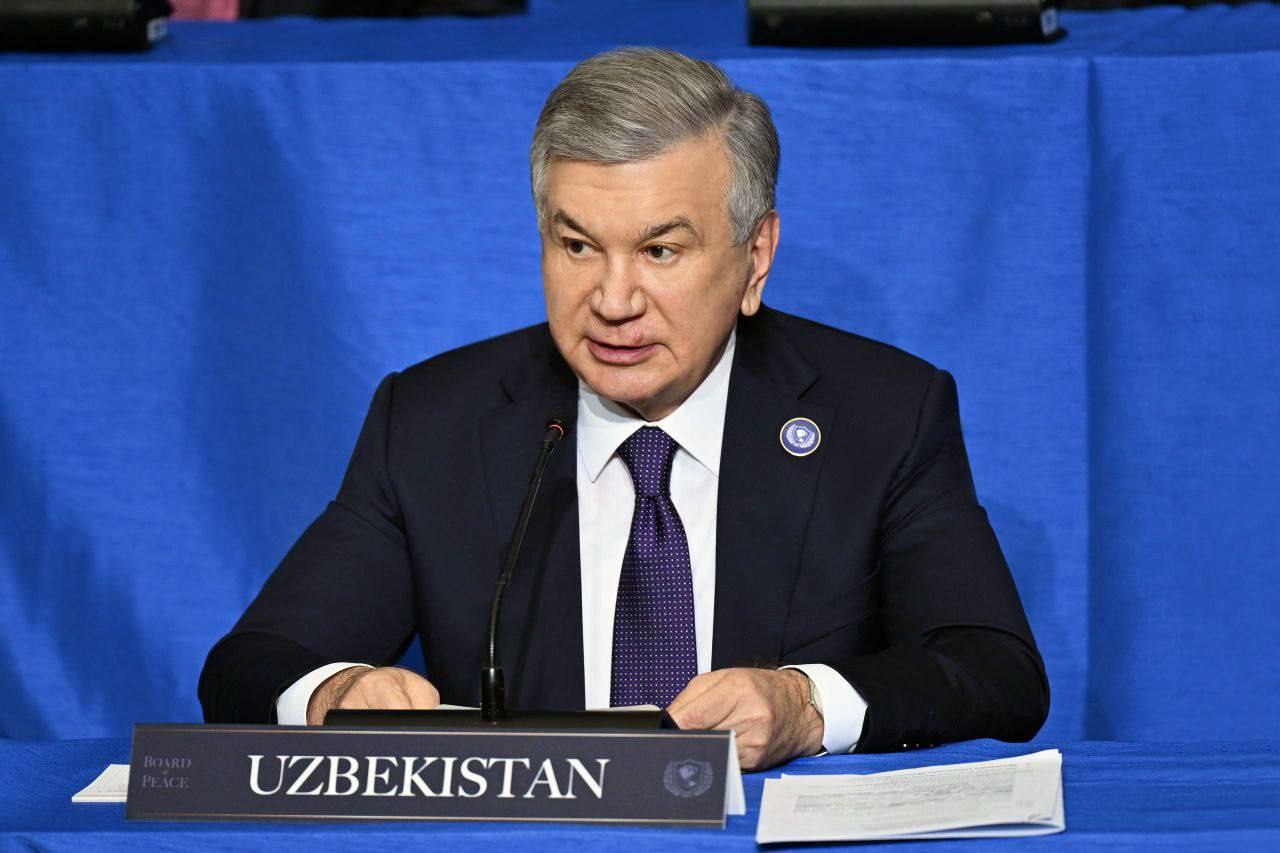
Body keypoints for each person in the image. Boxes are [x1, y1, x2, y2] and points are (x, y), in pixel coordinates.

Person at [199, 47, 1049, 771]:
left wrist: (806, 704)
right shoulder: (434, 422)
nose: (612, 300)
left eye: (660, 250)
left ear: (755, 257)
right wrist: (337, 692)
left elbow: (995, 668)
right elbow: (253, 663)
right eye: (577, 245)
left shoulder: (882, 414)